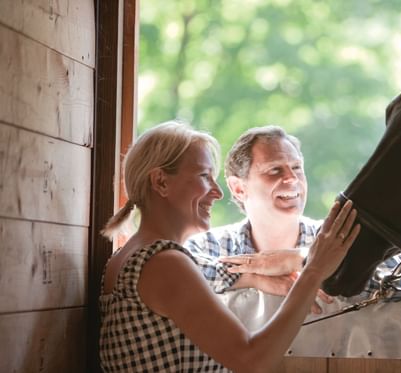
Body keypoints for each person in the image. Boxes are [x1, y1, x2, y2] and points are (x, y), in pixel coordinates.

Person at [98, 120, 360, 372]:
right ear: (161, 182)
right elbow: (253, 361)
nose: (218, 192)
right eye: (204, 176)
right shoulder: (164, 263)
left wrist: (250, 275)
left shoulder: (129, 256)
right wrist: (313, 271)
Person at [186, 126, 401, 314]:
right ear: (238, 188)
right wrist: (251, 277)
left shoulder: (336, 239)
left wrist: (305, 261)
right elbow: (172, 276)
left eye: (297, 168)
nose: (292, 178)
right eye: (275, 170)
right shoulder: (208, 246)